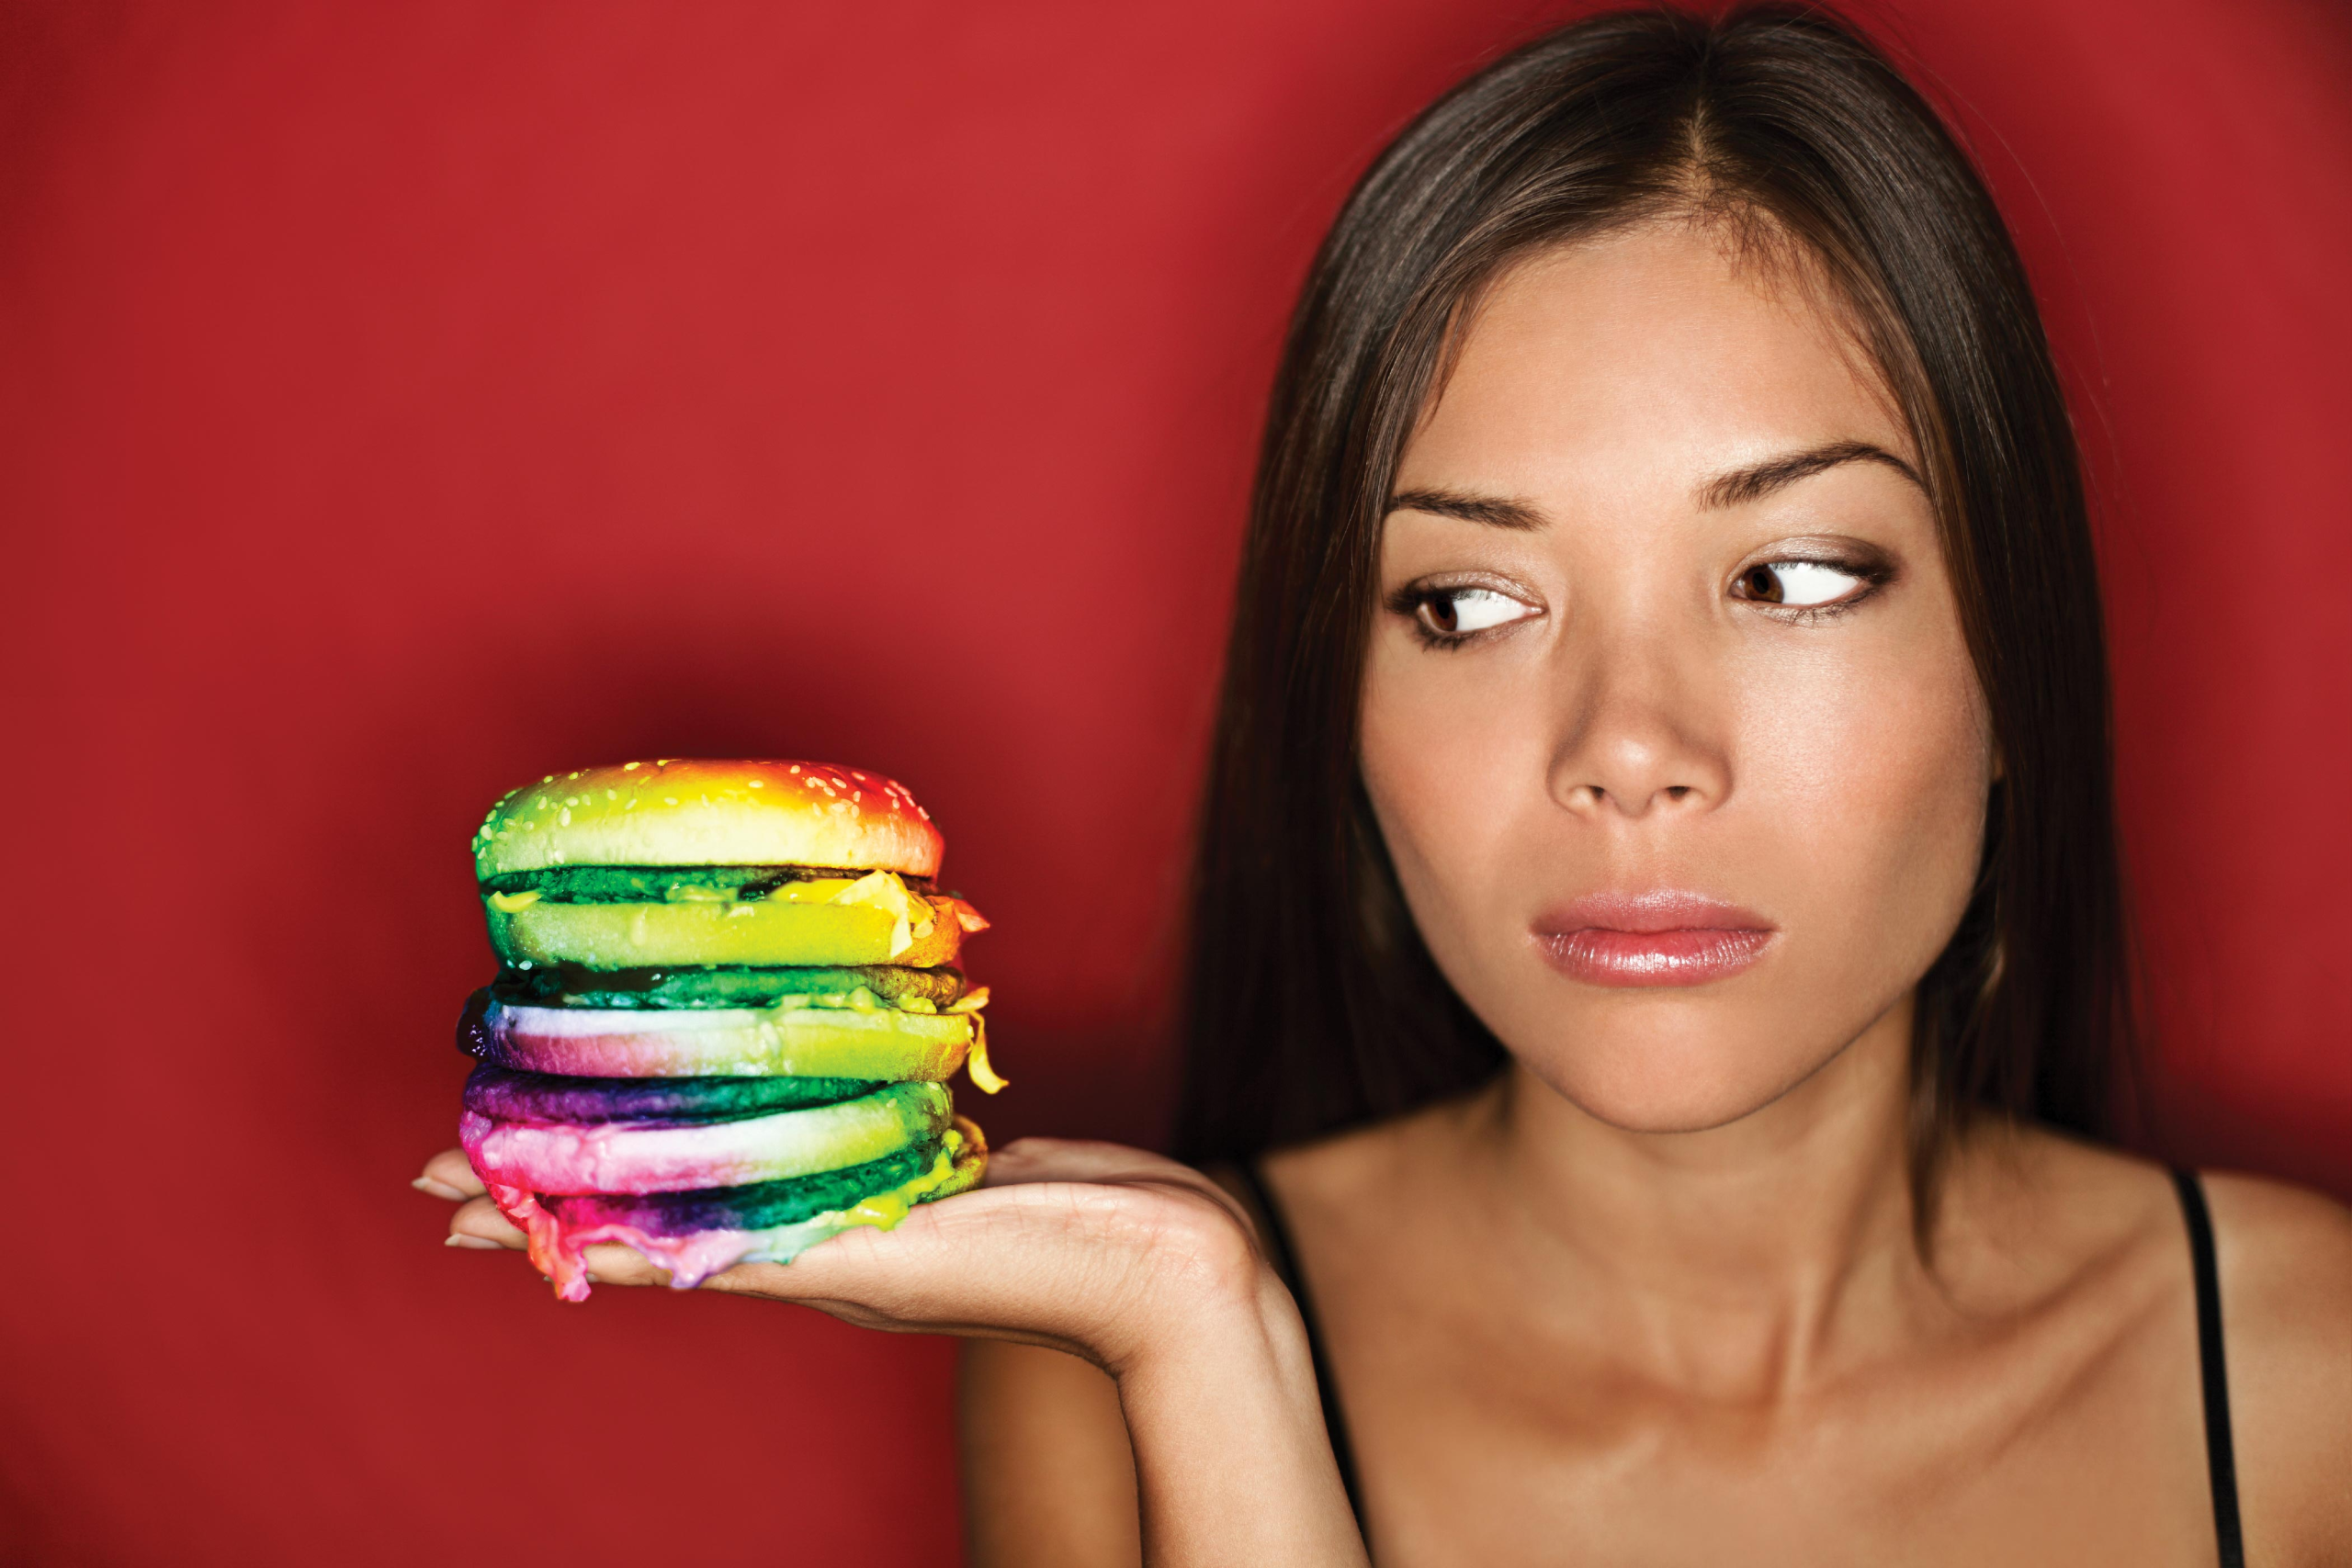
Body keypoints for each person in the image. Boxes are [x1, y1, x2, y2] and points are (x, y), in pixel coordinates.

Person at [420, 6, 2352, 1562]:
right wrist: (1206, 1339)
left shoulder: (2305, 1380)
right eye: (1467, 602)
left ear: (2010, 652)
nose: (1626, 749)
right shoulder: (1100, 1371)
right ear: (1337, 703)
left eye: (1787, 578)